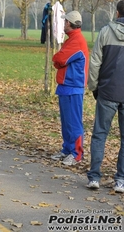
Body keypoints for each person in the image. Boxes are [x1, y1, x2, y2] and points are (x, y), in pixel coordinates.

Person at [86, 0, 124, 193]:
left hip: (107, 91)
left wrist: (94, 87)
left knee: (100, 134)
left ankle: (94, 177)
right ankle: (121, 180)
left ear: (117, 13)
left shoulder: (105, 32)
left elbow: (94, 63)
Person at [50, 11, 89, 166]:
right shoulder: (71, 39)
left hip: (73, 87)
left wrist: (58, 60)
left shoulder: (76, 41)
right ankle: (67, 149)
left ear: (69, 23)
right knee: (66, 122)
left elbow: (59, 58)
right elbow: (59, 60)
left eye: (65, 21)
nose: (63, 24)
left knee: (74, 122)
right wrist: (58, 61)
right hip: (67, 86)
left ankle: (76, 153)